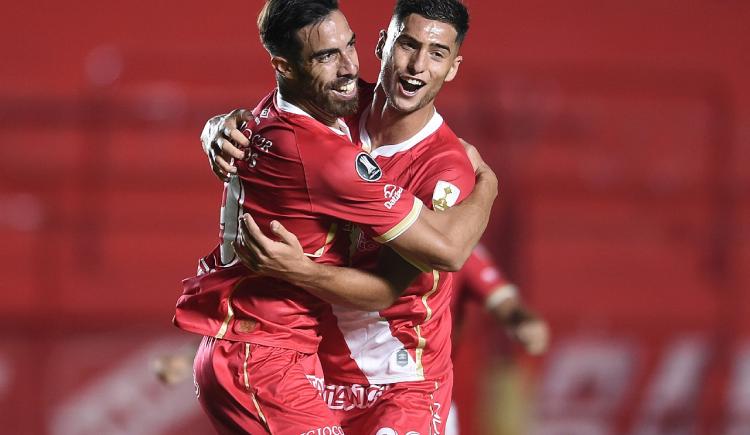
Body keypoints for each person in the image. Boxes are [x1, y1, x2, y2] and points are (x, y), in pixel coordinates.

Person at [174, 1, 497, 434]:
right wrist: (215, 129)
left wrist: (486, 182)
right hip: (313, 365)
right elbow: (280, 120)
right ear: (384, 44)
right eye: (408, 45)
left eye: (437, 54)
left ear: (453, 67)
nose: (417, 65)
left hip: (399, 378)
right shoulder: (337, 110)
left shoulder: (444, 165)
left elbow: (431, 263)